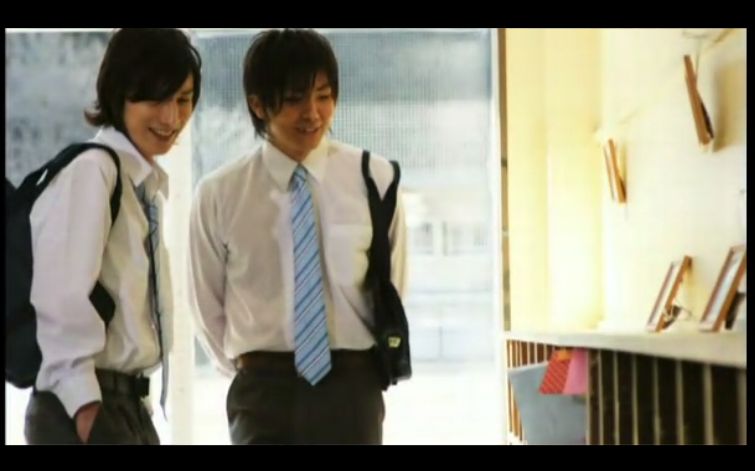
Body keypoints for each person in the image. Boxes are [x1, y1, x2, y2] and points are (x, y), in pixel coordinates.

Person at [188, 28, 407, 445]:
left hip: (352, 387)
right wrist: (252, 369)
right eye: (294, 99)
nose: (312, 113)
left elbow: (393, 284)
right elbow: (205, 305)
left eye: (324, 96)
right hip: (262, 391)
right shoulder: (220, 194)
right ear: (258, 104)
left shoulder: (374, 179)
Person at [24, 28, 202, 445]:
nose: (171, 118)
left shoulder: (140, 183)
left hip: (124, 405)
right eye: (156, 99)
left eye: (183, 99)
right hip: (83, 406)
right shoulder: (94, 172)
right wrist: (88, 413)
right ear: (120, 94)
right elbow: (61, 298)